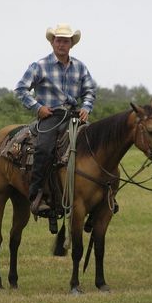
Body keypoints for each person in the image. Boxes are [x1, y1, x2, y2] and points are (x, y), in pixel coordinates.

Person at [14, 23, 97, 215]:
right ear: (52, 42)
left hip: (75, 115)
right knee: (44, 149)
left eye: (65, 41)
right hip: (52, 115)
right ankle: (37, 195)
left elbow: (90, 91)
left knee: (97, 145)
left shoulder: (80, 67)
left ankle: (102, 194)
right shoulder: (40, 66)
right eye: (58, 40)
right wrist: (37, 107)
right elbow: (20, 89)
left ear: (71, 44)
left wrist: (86, 107)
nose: (61, 44)